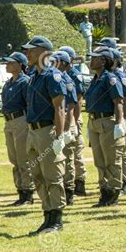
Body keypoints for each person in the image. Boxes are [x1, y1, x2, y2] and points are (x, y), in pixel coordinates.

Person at [22, 36, 67, 235]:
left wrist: (59, 136)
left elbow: (59, 108)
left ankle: (56, 218)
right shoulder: (34, 76)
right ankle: (47, 213)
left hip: (47, 130)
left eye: (31, 50)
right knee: (37, 175)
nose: (27, 54)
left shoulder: (52, 76)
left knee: (52, 175)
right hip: (33, 130)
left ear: (43, 52)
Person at [84, 46, 125, 207]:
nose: (91, 60)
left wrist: (120, 122)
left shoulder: (110, 78)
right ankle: (104, 191)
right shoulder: (96, 78)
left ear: (103, 61)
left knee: (111, 159)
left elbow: (118, 101)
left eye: (94, 58)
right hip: (94, 121)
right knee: (99, 160)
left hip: (107, 120)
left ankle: (113, 192)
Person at [1, 52, 34, 206]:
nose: (7, 65)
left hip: (21, 120)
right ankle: (20, 190)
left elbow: (29, 104)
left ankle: (27, 192)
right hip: (9, 121)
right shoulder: (9, 83)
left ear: (20, 65)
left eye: (10, 62)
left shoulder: (25, 82)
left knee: (23, 158)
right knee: (14, 158)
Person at [49, 51, 78, 206]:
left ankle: (69, 191)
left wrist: (66, 129)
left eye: (57, 61)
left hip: (66, 122)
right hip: (57, 122)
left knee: (67, 158)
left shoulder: (67, 80)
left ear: (65, 64)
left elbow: (71, 106)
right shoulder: (52, 78)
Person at [59, 46, 87, 197]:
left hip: (73, 116)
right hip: (65, 117)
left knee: (75, 152)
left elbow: (78, 101)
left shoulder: (74, 76)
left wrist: (74, 123)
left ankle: (79, 183)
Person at [111, 47, 126, 196]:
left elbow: (125, 99)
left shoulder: (119, 76)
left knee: (120, 152)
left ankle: (122, 182)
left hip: (119, 119)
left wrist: (125, 119)